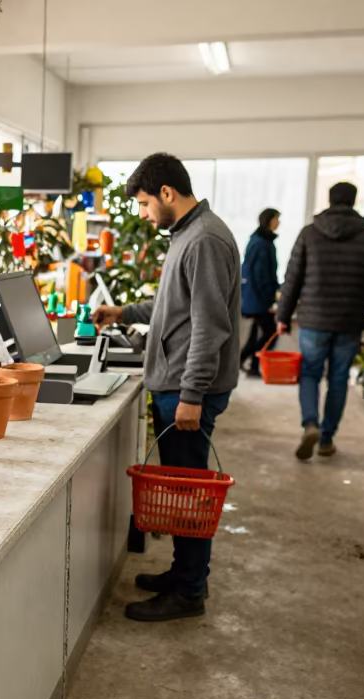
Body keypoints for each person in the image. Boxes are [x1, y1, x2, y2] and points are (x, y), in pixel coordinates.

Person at [91, 153, 241, 622]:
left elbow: (208, 327)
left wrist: (193, 395)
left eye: (142, 204)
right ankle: (183, 575)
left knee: (189, 495)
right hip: (177, 384)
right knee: (182, 492)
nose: (142, 213)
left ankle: (189, 592)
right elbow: (175, 303)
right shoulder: (189, 235)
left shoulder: (205, 240)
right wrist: (126, 312)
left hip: (186, 389)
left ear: (167, 194)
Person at [276, 182, 364, 460]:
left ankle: (310, 423)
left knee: (310, 373)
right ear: (353, 200)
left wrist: (283, 316)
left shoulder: (309, 234)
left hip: (313, 318)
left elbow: (293, 278)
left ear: (329, 200)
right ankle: (326, 439)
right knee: (338, 380)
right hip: (350, 320)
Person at [239, 208, 281, 377]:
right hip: (258, 297)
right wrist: (270, 296)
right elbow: (262, 274)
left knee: (257, 332)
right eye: (277, 219)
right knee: (270, 332)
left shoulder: (257, 240)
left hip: (253, 295)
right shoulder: (262, 243)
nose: (279, 223)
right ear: (269, 220)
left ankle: (248, 362)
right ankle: (250, 362)